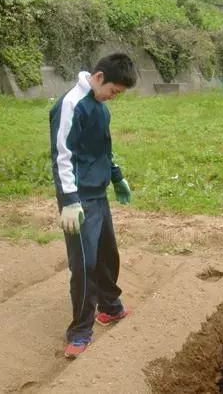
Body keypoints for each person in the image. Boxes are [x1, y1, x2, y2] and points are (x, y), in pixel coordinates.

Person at [49, 53, 138, 359]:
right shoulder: (70, 105)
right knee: (84, 265)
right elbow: (62, 156)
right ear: (99, 77)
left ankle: (111, 307)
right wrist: (70, 201)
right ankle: (80, 331)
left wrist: (116, 177)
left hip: (98, 192)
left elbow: (104, 148)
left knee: (106, 254)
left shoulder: (100, 107)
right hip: (78, 198)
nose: (113, 97)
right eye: (113, 91)